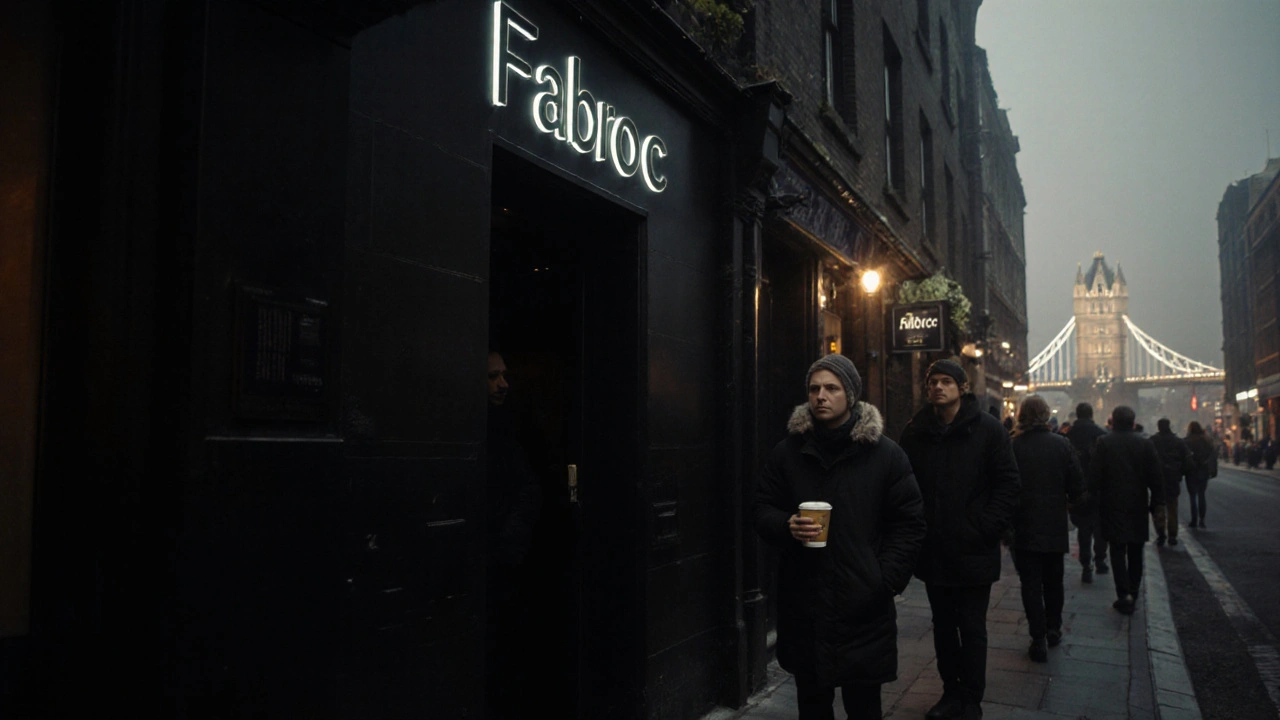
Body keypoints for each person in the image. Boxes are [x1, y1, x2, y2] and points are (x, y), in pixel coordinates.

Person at [755, 354, 926, 720]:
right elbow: (761, 508)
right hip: (805, 601)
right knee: (812, 706)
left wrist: (884, 580)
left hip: (862, 606)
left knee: (864, 707)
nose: (821, 396)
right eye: (814, 388)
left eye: (831, 388)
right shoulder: (788, 453)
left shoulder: (885, 455)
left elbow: (909, 523)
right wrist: (786, 524)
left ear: (850, 394)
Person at [899, 359, 1020, 720]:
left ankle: (972, 700)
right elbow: (903, 487)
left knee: (972, 626)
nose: (938, 387)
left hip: (973, 549)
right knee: (943, 626)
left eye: (946, 382)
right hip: (934, 548)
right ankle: (950, 693)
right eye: (932, 382)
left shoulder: (988, 430)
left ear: (962, 388)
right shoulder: (915, 432)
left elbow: (1008, 485)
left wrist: (984, 528)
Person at [484, 351, 542, 717]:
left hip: (500, 563)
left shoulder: (504, 430)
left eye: (504, 375)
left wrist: (506, 545)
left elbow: (527, 488)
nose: (504, 383)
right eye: (493, 376)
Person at [1009, 396, 1086, 662]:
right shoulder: (1062, 445)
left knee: (1030, 585)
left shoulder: (1013, 446)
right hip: (1054, 525)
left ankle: (1038, 637)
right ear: (1045, 416)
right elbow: (1077, 487)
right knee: (1054, 581)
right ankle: (1054, 627)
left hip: (1023, 526)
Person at [1087, 406, 1163, 615]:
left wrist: (1090, 500)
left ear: (1113, 422)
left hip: (1112, 503)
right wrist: (1157, 503)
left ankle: (1123, 594)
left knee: (1117, 549)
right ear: (1132, 422)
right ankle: (1134, 591)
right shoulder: (1145, 444)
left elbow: (1095, 476)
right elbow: (1156, 477)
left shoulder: (1104, 443)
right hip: (1138, 503)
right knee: (1136, 549)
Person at [1066, 403, 1108, 583]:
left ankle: (1086, 564)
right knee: (1099, 526)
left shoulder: (1068, 435)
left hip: (1078, 488)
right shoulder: (1101, 434)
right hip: (1099, 487)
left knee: (1083, 527)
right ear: (1091, 414)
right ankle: (1100, 560)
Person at [1149, 418, 1191, 547]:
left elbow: (1146, 460)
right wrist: (1180, 473)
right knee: (1172, 507)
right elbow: (1187, 460)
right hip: (1173, 478)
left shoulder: (1152, 441)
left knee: (1158, 507)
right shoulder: (1178, 442)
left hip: (1157, 479)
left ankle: (1161, 533)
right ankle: (1172, 535)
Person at [1184, 422, 1216, 529]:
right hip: (1203, 470)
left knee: (1192, 496)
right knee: (1202, 495)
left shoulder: (1187, 441)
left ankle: (1194, 519)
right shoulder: (1206, 441)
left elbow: (1183, 457)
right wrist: (1213, 470)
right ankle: (1202, 519)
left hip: (1191, 471)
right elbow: (1212, 456)